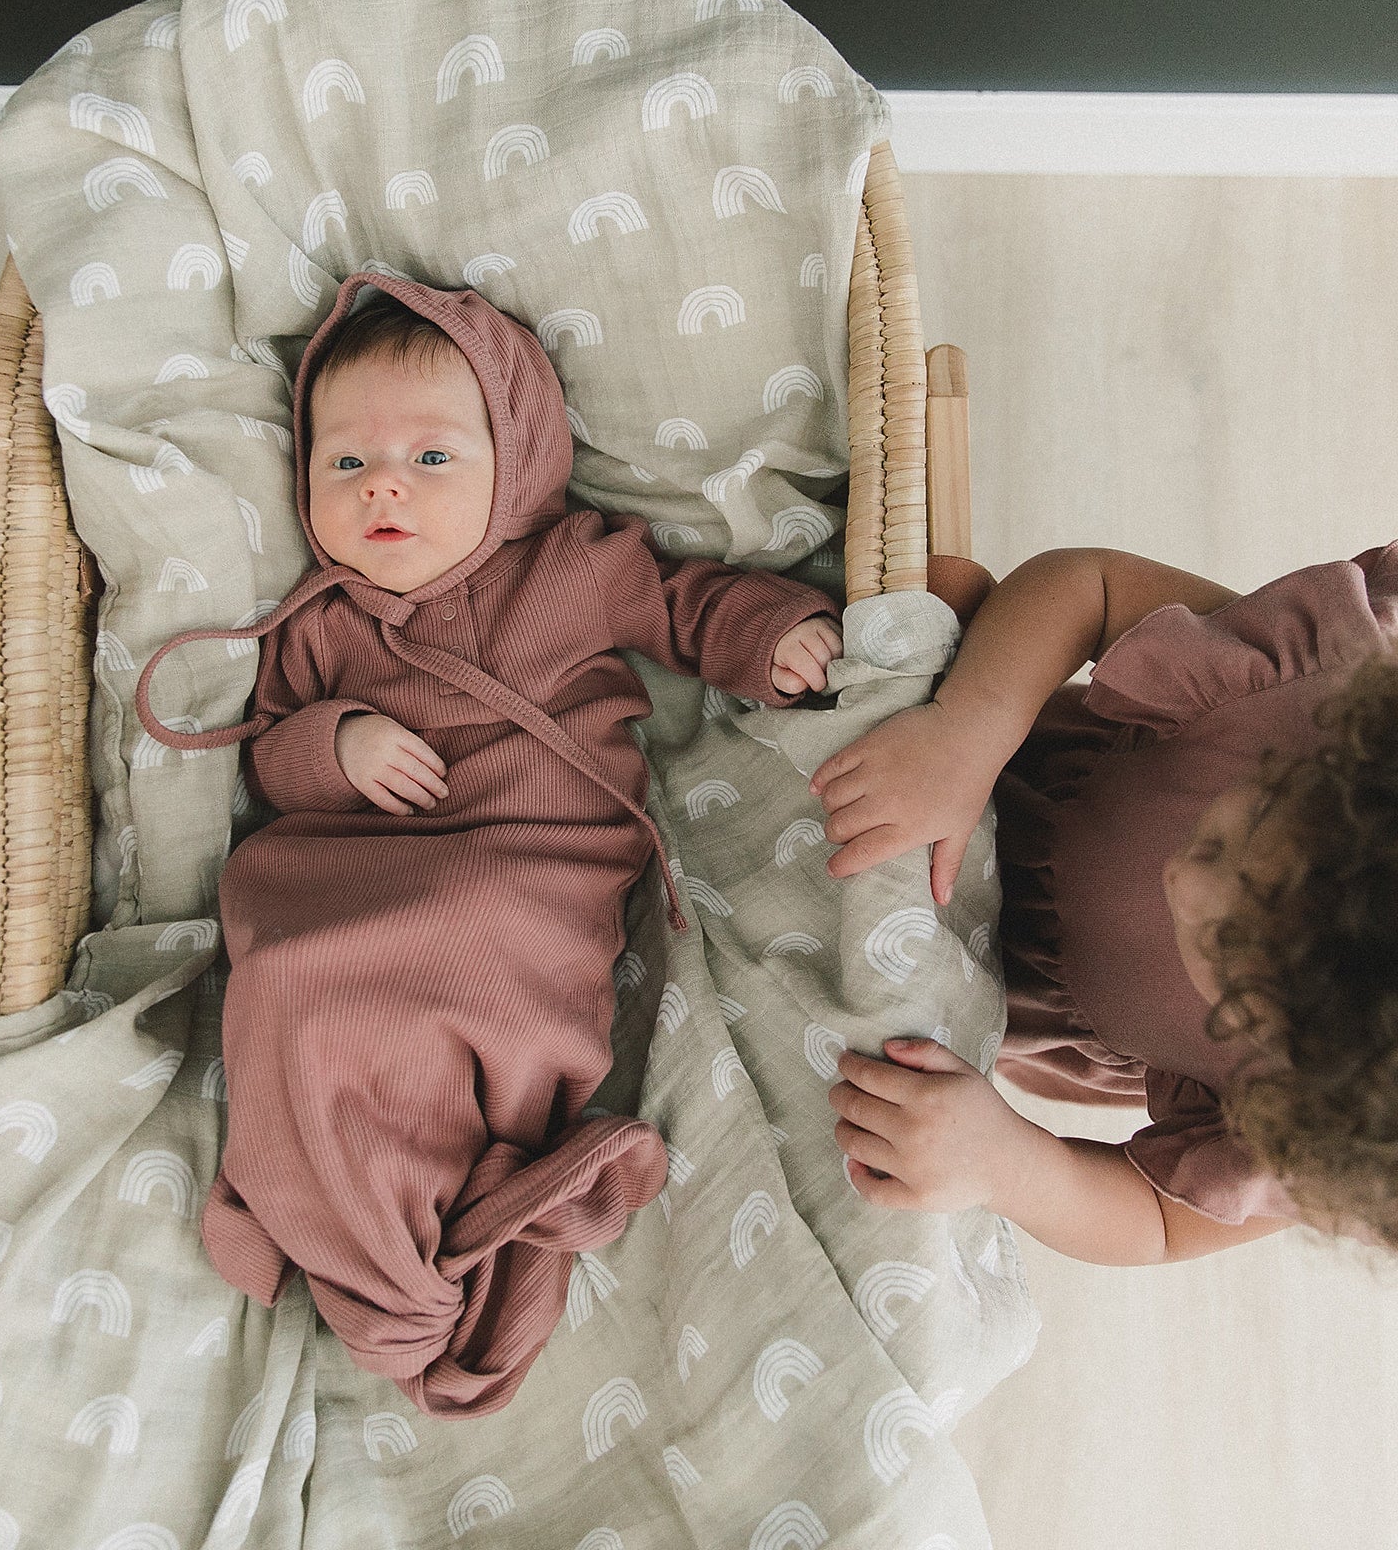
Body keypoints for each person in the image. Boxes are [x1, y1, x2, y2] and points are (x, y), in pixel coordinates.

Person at [134, 272, 843, 1416]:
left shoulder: (574, 565)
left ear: (512, 463)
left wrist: (771, 636)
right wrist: (336, 742)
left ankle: (410, 1238)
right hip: (351, 872)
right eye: (346, 462)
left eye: (431, 457)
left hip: (529, 872)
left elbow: (686, 605)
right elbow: (269, 758)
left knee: (474, 965)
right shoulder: (319, 623)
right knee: (288, 987)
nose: (383, 488)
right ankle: (350, 1213)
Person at [810, 542, 1398, 1264]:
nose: (1184, 882)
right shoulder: (1318, 693)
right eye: (1229, 843)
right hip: (998, 756)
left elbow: (1159, 1223)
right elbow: (1089, 591)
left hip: (1006, 988)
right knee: (942, 590)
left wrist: (1007, 1164)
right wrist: (969, 729)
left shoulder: (1323, 1115)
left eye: (1224, 952)